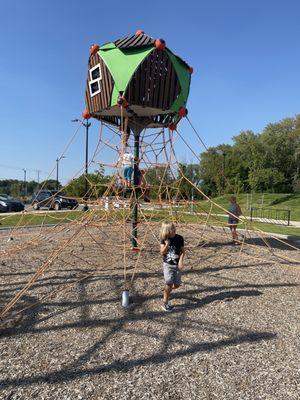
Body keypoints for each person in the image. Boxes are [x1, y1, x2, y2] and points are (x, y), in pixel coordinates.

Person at [160, 222, 185, 312]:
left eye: (174, 228)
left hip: (177, 265)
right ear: (167, 231)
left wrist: (181, 261)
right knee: (169, 283)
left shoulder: (179, 238)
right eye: (172, 229)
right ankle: (165, 302)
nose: (174, 230)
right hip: (168, 265)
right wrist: (167, 244)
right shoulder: (164, 239)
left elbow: (182, 251)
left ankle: (167, 290)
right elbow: (162, 252)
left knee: (177, 285)